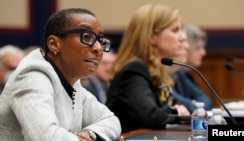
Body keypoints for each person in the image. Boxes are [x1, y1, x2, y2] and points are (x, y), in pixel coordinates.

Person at [0, 8, 121, 141]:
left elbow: (111, 120)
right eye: (86, 37)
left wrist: (89, 134)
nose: (98, 48)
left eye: (100, 40)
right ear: (54, 44)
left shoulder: (73, 82)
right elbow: (45, 138)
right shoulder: (32, 77)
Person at [105, 3, 190, 133]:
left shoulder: (158, 71)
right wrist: (176, 113)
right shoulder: (134, 70)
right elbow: (151, 116)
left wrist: (178, 111)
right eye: (175, 30)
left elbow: (178, 106)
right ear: (152, 37)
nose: (183, 37)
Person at [171, 24, 213, 112]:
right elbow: (172, 98)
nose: (203, 52)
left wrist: (193, 105)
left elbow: (206, 101)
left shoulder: (182, 73)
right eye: (198, 48)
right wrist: (192, 103)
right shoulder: (174, 71)